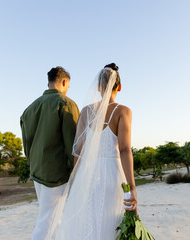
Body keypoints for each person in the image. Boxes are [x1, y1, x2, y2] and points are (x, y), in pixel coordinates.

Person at [48, 63, 137, 240]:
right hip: (113, 174)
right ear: (119, 87)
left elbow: (78, 152)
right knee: (112, 223)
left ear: (97, 87)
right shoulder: (123, 112)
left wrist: (77, 181)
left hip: (87, 175)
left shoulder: (86, 112)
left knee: (88, 223)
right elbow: (125, 149)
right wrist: (132, 187)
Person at [20, 66, 80, 240]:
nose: (68, 89)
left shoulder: (30, 107)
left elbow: (26, 143)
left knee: (54, 218)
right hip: (56, 174)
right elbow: (73, 145)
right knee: (47, 221)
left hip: (37, 170)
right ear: (63, 82)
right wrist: (77, 170)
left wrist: (32, 163)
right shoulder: (66, 103)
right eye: (68, 85)